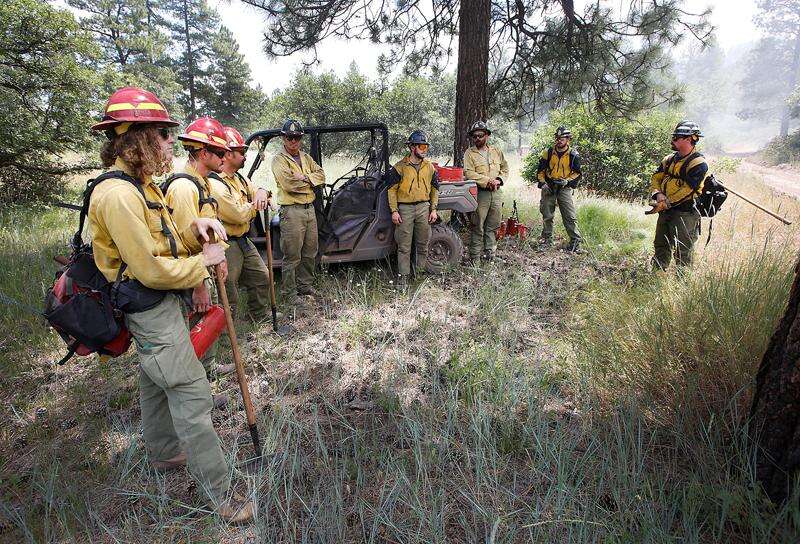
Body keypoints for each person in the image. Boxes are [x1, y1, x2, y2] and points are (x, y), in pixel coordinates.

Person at [88, 87, 252, 522]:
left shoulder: (141, 186)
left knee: (154, 380)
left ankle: (163, 452)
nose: (168, 144)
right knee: (191, 393)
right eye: (162, 134)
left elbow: (162, 239)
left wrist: (194, 229)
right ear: (137, 137)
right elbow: (150, 269)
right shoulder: (117, 194)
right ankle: (223, 495)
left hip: (159, 302)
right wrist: (203, 264)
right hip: (149, 304)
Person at [163, 117, 234, 393]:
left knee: (210, 323)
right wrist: (199, 286)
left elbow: (208, 231)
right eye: (218, 152)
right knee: (198, 329)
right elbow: (184, 245)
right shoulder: (184, 188)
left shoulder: (202, 183)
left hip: (205, 269)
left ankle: (209, 370)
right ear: (202, 153)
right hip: (193, 277)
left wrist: (221, 258)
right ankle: (199, 391)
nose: (223, 157)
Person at [208, 126, 272, 321]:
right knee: (228, 291)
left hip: (244, 239)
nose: (245, 156)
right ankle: (228, 334)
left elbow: (260, 191)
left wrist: (262, 192)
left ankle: (258, 317)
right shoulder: (216, 184)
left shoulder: (240, 178)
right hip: (227, 244)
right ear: (227, 154)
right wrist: (255, 204)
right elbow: (236, 215)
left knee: (261, 277)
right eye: (241, 152)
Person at [271, 119, 325, 306]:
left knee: (310, 251)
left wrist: (305, 177)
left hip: (309, 209)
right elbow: (289, 185)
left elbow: (322, 175)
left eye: (297, 137)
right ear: (283, 138)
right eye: (289, 137)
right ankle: (289, 293)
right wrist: (310, 183)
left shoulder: (306, 157)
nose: (293, 141)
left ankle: (305, 286)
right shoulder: (279, 159)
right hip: (292, 211)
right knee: (292, 255)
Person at [649, 120, 708, 270]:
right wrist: (658, 194)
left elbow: (688, 189)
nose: (672, 140)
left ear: (689, 139)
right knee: (661, 244)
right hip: (665, 209)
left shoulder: (698, 163)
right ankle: (657, 273)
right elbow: (656, 177)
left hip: (686, 213)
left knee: (683, 249)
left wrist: (666, 202)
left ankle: (682, 280)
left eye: (676, 137)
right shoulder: (669, 159)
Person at [385, 130, 440, 288]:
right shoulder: (399, 167)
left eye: (426, 147)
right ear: (412, 147)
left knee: (423, 244)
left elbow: (435, 189)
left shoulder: (429, 167)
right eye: (421, 146)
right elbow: (391, 190)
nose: (424, 149)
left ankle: (418, 275)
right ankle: (403, 278)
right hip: (405, 209)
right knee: (404, 246)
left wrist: (433, 209)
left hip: (424, 207)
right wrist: (394, 211)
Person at [462, 121, 509, 263]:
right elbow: (469, 172)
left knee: (493, 225)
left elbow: (505, 169)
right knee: (477, 225)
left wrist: (499, 180)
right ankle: (474, 257)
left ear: (487, 135)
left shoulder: (496, 151)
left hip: (496, 193)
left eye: (480, 136)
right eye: (474, 136)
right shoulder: (470, 153)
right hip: (480, 193)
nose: (477, 139)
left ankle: (490, 255)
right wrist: (488, 181)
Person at [536, 126, 583, 252]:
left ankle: (575, 242)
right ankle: (546, 240)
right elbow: (540, 170)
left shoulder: (573, 154)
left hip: (564, 187)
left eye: (562, 138)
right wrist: (543, 183)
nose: (559, 140)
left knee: (569, 216)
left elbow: (577, 173)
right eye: (557, 138)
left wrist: (567, 181)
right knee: (547, 215)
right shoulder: (548, 152)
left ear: (568, 139)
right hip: (549, 186)